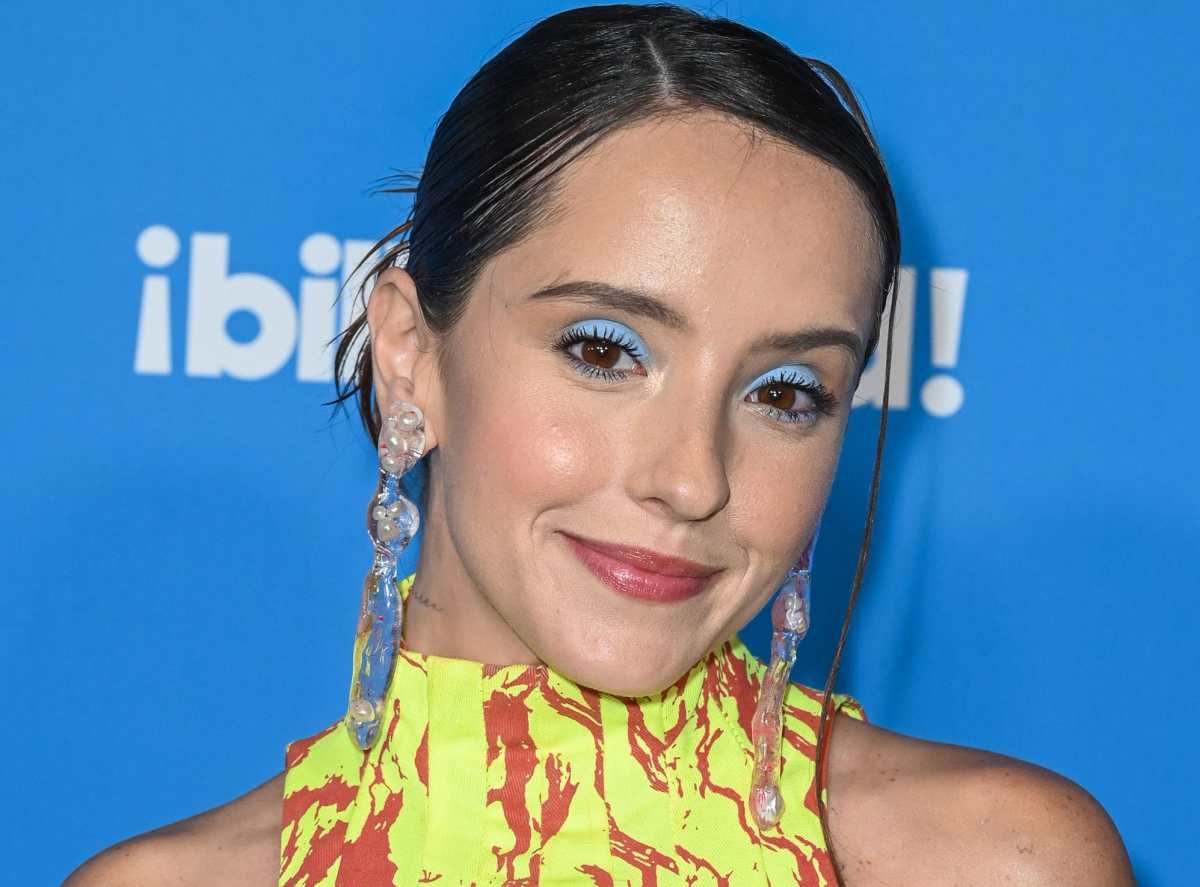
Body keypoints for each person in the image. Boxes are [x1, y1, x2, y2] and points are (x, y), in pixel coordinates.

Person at [64, 4, 1136, 885]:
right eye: (604, 350)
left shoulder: (999, 861)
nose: (692, 478)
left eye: (785, 391)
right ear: (409, 354)